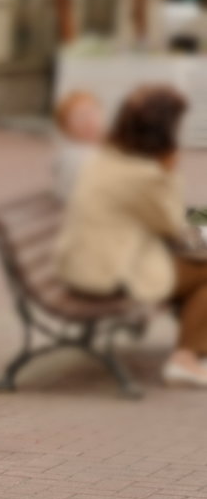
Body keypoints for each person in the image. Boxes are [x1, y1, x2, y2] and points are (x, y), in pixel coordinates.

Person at [55, 83, 207, 387]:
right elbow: (169, 223)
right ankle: (185, 358)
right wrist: (169, 170)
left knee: (202, 249)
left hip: (100, 259)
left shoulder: (110, 158)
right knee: (205, 264)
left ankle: (191, 349)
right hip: (111, 273)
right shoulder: (139, 172)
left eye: (93, 113)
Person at [51, 89, 106, 201]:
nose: (90, 120)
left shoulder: (98, 148)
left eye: (93, 112)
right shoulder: (76, 155)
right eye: (81, 116)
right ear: (66, 127)